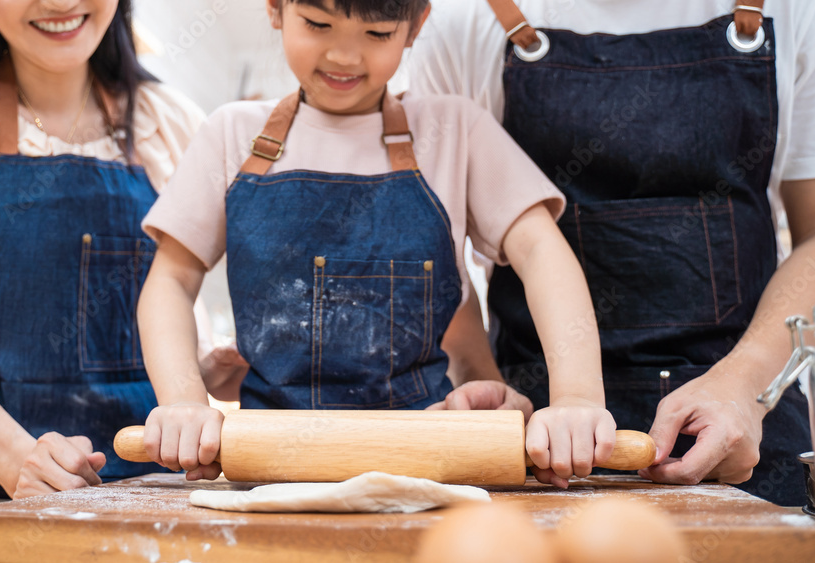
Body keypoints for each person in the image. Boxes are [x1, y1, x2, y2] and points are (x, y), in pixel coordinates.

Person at [136, 0, 618, 488]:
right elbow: (171, 280)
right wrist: (183, 401)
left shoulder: (455, 129)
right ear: (276, 9)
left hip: (428, 456)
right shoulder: (231, 133)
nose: (345, 56)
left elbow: (541, 251)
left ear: (415, 27)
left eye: (378, 33)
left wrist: (577, 398)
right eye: (318, 24)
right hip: (269, 459)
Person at [408, 0, 815, 505]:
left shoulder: (799, 9)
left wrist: (745, 386)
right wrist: (486, 390)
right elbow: (437, 250)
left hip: (746, 430)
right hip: (542, 442)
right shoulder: (461, 22)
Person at [0, 0, 230, 498]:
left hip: (157, 488)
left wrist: (203, 369)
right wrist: (17, 460)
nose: (59, 3)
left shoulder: (170, 123)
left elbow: (174, 300)